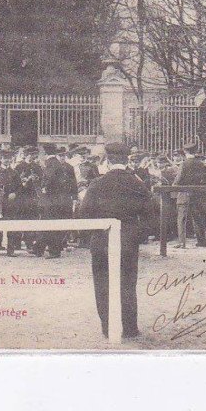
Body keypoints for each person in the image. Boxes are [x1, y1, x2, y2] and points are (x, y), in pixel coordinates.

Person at [77, 141, 152, 340]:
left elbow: (84, 213)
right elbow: (151, 213)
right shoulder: (137, 183)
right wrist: (138, 234)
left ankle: (108, 326)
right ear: (127, 159)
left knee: (102, 282)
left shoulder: (97, 183)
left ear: (108, 160)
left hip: (101, 240)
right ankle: (129, 328)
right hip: (128, 240)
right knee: (127, 282)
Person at [34, 144, 77, 258]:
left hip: (52, 199)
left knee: (49, 224)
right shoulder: (58, 163)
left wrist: (43, 187)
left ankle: (51, 251)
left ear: (45, 153)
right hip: (60, 199)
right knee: (52, 224)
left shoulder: (51, 163)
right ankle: (40, 248)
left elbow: (49, 178)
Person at [172, 141, 206, 249]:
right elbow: (205, 178)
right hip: (197, 194)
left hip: (184, 194)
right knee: (197, 217)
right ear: (195, 151)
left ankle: (182, 242)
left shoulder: (184, 164)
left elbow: (178, 179)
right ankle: (202, 241)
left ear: (184, 151)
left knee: (182, 218)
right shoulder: (200, 163)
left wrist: (174, 185)